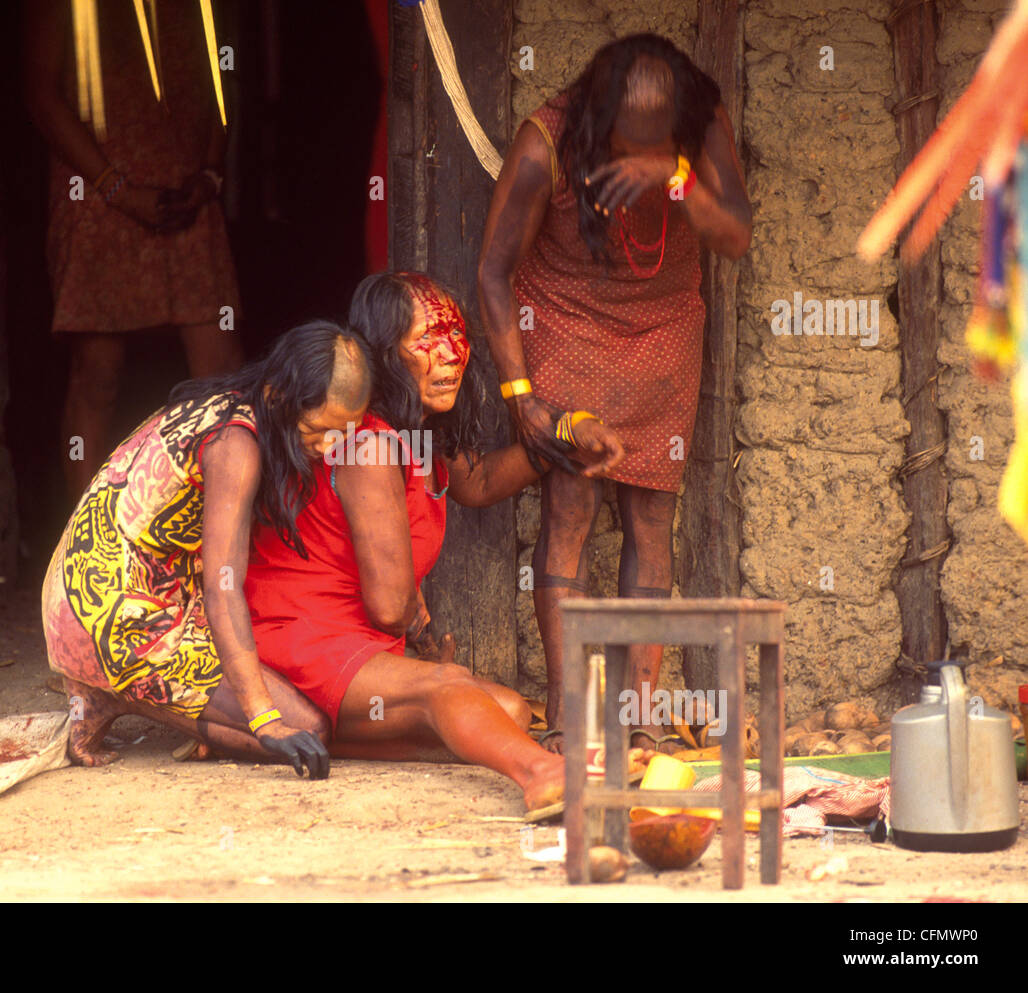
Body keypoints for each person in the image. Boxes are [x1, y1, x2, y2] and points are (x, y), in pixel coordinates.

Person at [240, 272, 626, 812]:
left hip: (351, 647)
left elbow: (481, 481)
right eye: (425, 340)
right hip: (300, 637)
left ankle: (301, 736)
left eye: (455, 335)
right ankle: (543, 774)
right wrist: (421, 637)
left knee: (509, 711)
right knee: (449, 688)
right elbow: (389, 604)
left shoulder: (417, 435)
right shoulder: (368, 443)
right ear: (383, 354)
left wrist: (563, 434)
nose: (449, 354)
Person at [477, 34, 752, 753]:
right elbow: (493, 274)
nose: (635, 159)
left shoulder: (700, 123)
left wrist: (676, 175)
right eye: (626, 146)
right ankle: (571, 714)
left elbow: (735, 236)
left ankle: (640, 716)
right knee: (570, 502)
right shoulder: (547, 143)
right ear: (599, 119)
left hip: (662, 328)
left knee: (653, 514)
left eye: (652, 144)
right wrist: (521, 396)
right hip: (566, 317)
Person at [41, 321, 373, 779]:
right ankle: (111, 693)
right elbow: (223, 586)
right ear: (279, 395)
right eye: (317, 430)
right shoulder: (235, 444)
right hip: (110, 615)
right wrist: (263, 718)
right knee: (307, 729)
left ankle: (121, 692)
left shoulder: (236, 404)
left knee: (291, 719)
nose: (327, 447)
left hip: (95, 593)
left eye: (342, 434)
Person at [23, 0, 245, 502]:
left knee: (222, 374)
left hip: (187, 192)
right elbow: (40, 93)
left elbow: (222, 71)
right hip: (97, 189)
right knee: (97, 373)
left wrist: (210, 171)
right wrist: (115, 187)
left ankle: (222, 538)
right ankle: (84, 544)